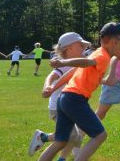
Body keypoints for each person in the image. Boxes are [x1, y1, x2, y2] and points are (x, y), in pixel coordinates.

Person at [29, 22, 120, 161]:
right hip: (75, 99)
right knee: (100, 135)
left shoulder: (99, 53)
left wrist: (54, 87)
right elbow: (86, 64)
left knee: (61, 140)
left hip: (65, 97)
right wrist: (63, 63)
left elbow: (75, 72)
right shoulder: (102, 56)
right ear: (114, 42)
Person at [31, 32, 91, 161]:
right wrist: (47, 86)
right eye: (81, 45)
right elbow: (52, 76)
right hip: (58, 108)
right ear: (69, 48)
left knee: (74, 136)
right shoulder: (64, 64)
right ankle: (44, 138)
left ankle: (46, 140)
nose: (84, 48)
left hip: (72, 105)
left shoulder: (78, 62)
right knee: (71, 136)